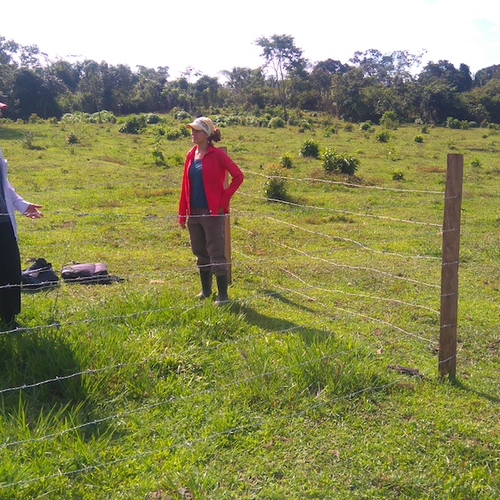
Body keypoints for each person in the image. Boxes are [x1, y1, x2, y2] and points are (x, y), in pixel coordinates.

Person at [178, 116, 244, 305]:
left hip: (212, 212)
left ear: (206, 134)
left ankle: (223, 296)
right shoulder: (190, 154)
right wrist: (182, 213)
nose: (193, 133)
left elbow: (238, 176)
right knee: (200, 251)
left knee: (216, 252)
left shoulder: (217, 155)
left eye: (197, 130)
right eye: (192, 130)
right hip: (194, 212)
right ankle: (206, 291)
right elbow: (185, 186)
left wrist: (224, 199)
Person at [0, 101, 43, 328]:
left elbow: (3, 183)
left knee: (9, 269)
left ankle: (8, 320)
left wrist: (20, 204)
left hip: (3, 220)